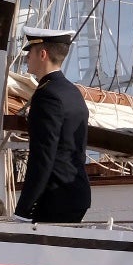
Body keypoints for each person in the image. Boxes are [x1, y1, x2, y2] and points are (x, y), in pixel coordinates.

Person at [12, 27, 92, 224]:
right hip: (73, 193)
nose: (27, 56)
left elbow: (43, 157)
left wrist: (23, 209)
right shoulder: (71, 91)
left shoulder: (47, 95)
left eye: (30, 51)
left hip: (54, 199)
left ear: (43, 54)